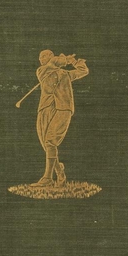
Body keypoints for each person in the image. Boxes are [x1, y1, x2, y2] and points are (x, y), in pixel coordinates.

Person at [31, 50, 89, 187]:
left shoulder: (66, 74)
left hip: (63, 108)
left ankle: (47, 178)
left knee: (50, 141)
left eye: (43, 56)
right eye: (39, 57)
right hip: (45, 108)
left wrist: (74, 61)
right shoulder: (42, 71)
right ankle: (59, 171)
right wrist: (65, 59)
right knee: (46, 144)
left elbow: (84, 71)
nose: (40, 59)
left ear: (51, 56)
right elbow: (53, 63)